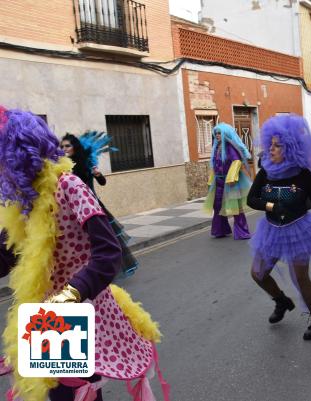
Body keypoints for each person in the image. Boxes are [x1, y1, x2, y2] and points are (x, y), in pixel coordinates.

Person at [0, 108, 168, 401]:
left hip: (77, 305)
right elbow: (7, 257)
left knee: (76, 393)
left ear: (17, 152)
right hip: (44, 314)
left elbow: (108, 253)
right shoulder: (22, 203)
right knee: (59, 395)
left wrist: (68, 296)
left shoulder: (69, 186)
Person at [247, 114, 311, 341]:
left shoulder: (303, 175)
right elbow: (251, 200)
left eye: (277, 146)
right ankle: (281, 301)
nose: (271, 150)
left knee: (300, 278)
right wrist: (272, 205)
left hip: (298, 230)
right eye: (270, 145)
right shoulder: (266, 172)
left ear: (290, 148)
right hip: (271, 230)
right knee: (258, 274)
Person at [61, 132, 139, 277]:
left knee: (103, 239)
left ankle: (107, 268)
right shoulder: (62, 167)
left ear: (74, 147)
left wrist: (97, 174)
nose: (64, 149)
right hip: (72, 209)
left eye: (67, 146)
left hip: (92, 206)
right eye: (62, 146)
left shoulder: (85, 162)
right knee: (81, 241)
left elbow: (102, 182)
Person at [204, 123, 252, 239]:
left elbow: (236, 161)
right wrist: (211, 179)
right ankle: (221, 230)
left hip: (231, 182)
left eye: (219, 133)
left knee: (235, 208)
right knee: (217, 206)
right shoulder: (217, 147)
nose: (217, 135)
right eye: (216, 133)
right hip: (218, 181)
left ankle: (242, 232)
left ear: (226, 134)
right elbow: (215, 165)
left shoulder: (230, 147)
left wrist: (231, 177)